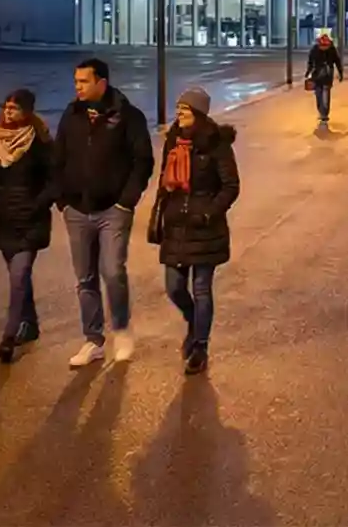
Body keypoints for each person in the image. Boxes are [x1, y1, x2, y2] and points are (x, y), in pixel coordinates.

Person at [54, 58, 154, 367]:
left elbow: (143, 161)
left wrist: (126, 201)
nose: (78, 87)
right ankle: (93, 340)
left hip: (113, 209)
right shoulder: (71, 115)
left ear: (102, 83)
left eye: (83, 82)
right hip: (77, 209)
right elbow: (58, 157)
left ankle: (121, 329)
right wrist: (63, 199)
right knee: (85, 278)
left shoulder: (128, 117)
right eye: (76, 82)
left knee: (112, 271)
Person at [148, 86, 240, 375]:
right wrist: (159, 214)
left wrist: (208, 212)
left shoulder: (217, 143)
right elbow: (165, 180)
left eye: (185, 110)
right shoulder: (173, 142)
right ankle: (194, 321)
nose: (179, 114)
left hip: (204, 227)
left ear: (198, 114)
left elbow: (230, 186)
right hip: (176, 225)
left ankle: (200, 345)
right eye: (178, 109)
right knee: (174, 287)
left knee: (201, 288)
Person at [0, 88, 55, 362]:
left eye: (14, 108)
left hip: (30, 219)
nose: (8, 112)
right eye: (6, 107)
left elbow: (53, 179)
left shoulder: (40, 140)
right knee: (20, 278)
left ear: (27, 112)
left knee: (18, 276)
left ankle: (8, 337)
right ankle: (31, 323)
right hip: (3, 219)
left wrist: (39, 204)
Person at [305, 30, 341, 127]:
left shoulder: (328, 49)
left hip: (324, 76)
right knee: (320, 95)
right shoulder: (317, 49)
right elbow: (310, 62)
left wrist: (340, 73)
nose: (324, 48)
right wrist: (308, 72)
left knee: (323, 94)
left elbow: (337, 61)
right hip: (320, 76)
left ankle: (324, 113)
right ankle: (322, 112)